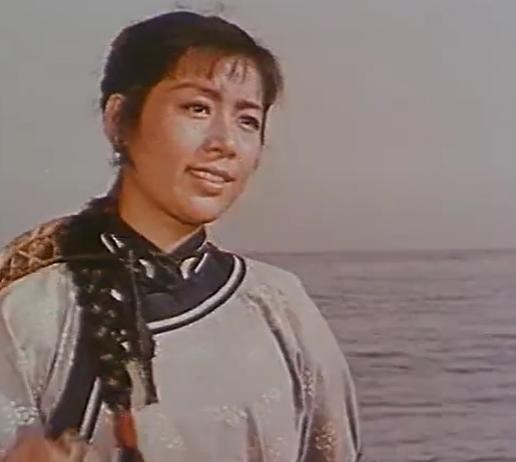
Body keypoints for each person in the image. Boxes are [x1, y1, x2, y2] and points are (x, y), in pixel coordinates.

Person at [0, 11, 361, 462]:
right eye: (197, 109)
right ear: (119, 120)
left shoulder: (282, 306)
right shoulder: (31, 308)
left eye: (248, 120)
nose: (225, 142)